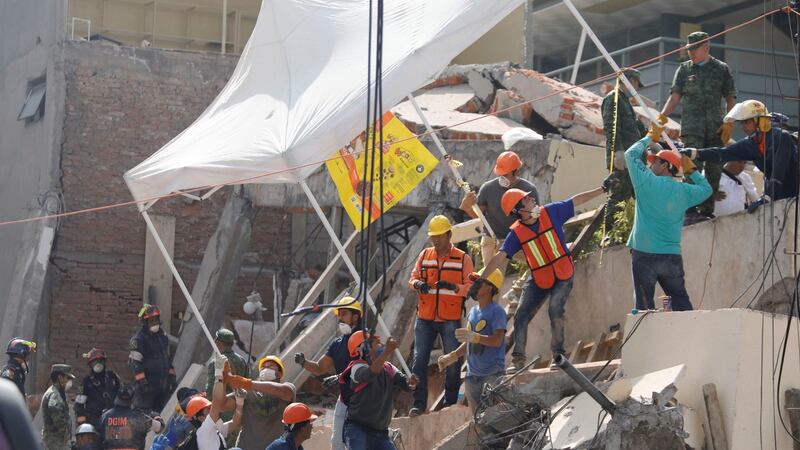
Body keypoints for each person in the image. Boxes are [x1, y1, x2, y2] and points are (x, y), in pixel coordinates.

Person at [482, 181, 612, 371]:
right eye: (526, 200)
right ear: (519, 211)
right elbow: (499, 257)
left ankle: (558, 355)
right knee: (521, 314)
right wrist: (481, 278)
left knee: (555, 309)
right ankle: (518, 360)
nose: (532, 199)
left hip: (562, 273)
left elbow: (576, 200)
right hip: (539, 278)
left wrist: (602, 189)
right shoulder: (516, 233)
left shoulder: (550, 212)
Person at [626, 123, 712, 311]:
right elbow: (707, 189)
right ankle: (690, 335)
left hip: (644, 254)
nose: (650, 163)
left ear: (665, 165)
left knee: (643, 308)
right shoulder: (683, 191)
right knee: (681, 302)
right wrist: (692, 171)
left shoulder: (645, 182)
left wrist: (649, 137)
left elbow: (630, 155)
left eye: (655, 161)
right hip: (671, 256)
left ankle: (647, 340)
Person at [660, 31, 737, 218]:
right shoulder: (684, 70)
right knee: (690, 166)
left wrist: (729, 122)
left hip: (715, 128)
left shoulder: (721, 68)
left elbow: (730, 97)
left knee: (713, 170)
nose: (691, 53)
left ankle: (706, 210)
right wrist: (661, 118)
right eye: (689, 49)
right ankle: (690, 208)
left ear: (706, 47)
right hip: (692, 128)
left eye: (695, 49)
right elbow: (675, 97)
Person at [407, 215, 473, 416]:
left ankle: (450, 402)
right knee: (419, 361)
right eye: (433, 236)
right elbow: (413, 278)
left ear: (449, 234)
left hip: (449, 318)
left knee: (452, 362)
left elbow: (471, 287)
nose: (435, 240)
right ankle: (419, 404)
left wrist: (454, 287)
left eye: (439, 236)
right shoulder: (425, 255)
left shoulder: (462, 258)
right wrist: (418, 284)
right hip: (425, 317)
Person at [460, 150, 540, 302]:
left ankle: (516, 291)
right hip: (493, 238)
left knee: (541, 259)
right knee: (491, 283)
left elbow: (534, 219)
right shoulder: (488, 188)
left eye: (506, 173)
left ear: (516, 171)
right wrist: (467, 207)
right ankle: (487, 317)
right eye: (500, 173)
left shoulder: (529, 190)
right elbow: (480, 217)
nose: (502, 177)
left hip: (517, 239)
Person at [683, 99, 798, 203]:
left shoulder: (782, 137)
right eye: (742, 123)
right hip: (780, 195)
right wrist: (694, 152)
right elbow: (722, 153)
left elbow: (778, 170)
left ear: (760, 121)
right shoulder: (750, 143)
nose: (743, 127)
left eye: (747, 122)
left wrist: (767, 197)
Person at [294, 296, 362, 450]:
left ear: (355, 316)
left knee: (358, 442)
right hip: (345, 399)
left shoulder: (366, 340)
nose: (340, 318)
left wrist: (340, 376)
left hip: (364, 401)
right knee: (337, 443)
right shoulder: (337, 344)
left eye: (344, 314)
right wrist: (304, 362)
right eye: (339, 315)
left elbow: (367, 368)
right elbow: (319, 368)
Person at [438, 268, 506, 414]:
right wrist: (453, 356)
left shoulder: (497, 312)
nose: (473, 285)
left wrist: (476, 337)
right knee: (477, 421)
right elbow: (469, 340)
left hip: (492, 375)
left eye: (478, 282)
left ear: (489, 287)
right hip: (472, 376)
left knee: (494, 417)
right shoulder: (473, 311)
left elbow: (498, 341)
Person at [340, 331, 417, 450]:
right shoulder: (357, 367)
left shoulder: (389, 368)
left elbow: (405, 384)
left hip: (381, 433)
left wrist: (411, 383)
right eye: (377, 343)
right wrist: (387, 352)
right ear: (364, 348)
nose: (381, 346)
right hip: (358, 429)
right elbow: (370, 374)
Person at [601, 68, 647, 230]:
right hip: (623, 160)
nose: (636, 89)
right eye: (636, 84)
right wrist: (617, 151)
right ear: (630, 81)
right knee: (619, 198)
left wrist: (652, 142)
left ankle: (624, 231)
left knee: (639, 197)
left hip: (634, 160)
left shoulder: (625, 102)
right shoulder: (613, 99)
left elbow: (636, 129)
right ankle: (608, 235)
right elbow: (611, 127)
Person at [222, 355, 295, 449]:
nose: (266, 368)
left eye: (270, 366)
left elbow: (285, 392)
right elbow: (222, 405)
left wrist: (247, 383)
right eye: (263, 367)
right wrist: (222, 380)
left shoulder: (288, 388)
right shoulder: (247, 393)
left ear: (280, 374)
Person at [178, 354, 244, 450]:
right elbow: (217, 401)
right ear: (201, 418)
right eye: (207, 409)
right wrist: (218, 374)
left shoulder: (213, 429)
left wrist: (240, 403)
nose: (211, 409)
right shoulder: (204, 431)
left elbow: (234, 423)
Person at [128, 304, 177, 412]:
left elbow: (166, 359)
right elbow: (135, 364)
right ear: (145, 323)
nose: (155, 323)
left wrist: (172, 378)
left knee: (160, 416)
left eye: (156, 319)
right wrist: (143, 384)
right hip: (146, 389)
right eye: (151, 320)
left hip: (162, 387)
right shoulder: (139, 339)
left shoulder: (162, 336)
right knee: (143, 416)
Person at [98, 384, 164, 450]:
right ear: (133, 399)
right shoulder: (139, 417)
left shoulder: (105, 416)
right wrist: (156, 416)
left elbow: (99, 439)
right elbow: (159, 427)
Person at [75, 347, 121, 428]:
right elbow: (79, 405)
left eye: (100, 361)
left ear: (104, 362)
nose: (98, 364)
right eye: (94, 362)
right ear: (90, 364)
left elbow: (122, 394)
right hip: (93, 421)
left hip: (112, 420)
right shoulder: (86, 382)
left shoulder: (112, 377)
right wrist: (82, 424)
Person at [41, 364, 75, 450]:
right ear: (60, 377)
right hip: (55, 443)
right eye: (67, 378)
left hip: (57, 442)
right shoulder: (54, 395)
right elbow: (58, 419)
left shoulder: (58, 393)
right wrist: (66, 433)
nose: (69, 382)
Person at [206, 329, 249, 394]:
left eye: (216, 340)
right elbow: (247, 384)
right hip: (239, 400)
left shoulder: (216, 363)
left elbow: (210, 390)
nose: (214, 341)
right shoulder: (242, 360)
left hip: (222, 401)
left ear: (219, 343)